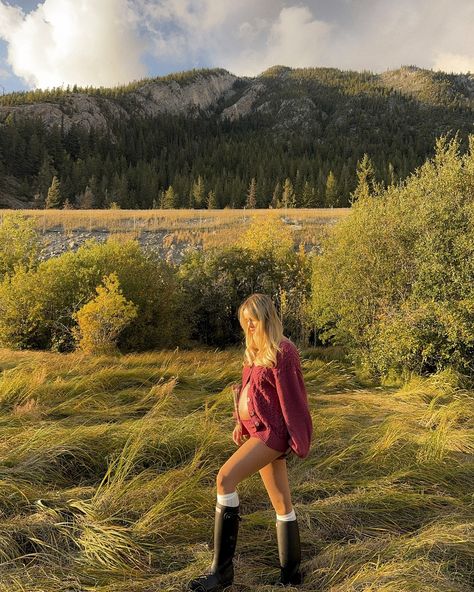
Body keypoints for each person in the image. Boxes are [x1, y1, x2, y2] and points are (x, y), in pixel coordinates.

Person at [187, 293, 313, 591]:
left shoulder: (283, 351)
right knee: (281, 502)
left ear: (266, 319)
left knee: (224, 479)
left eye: (253, 322)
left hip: (271, 435)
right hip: (258, 430)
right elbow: (248, 391)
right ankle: (291, 576)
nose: (249, 328)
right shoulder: (256, 352)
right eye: (245, 323)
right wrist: (239, 421)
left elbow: (293, 400)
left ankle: (221, 573)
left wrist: (297, 441)